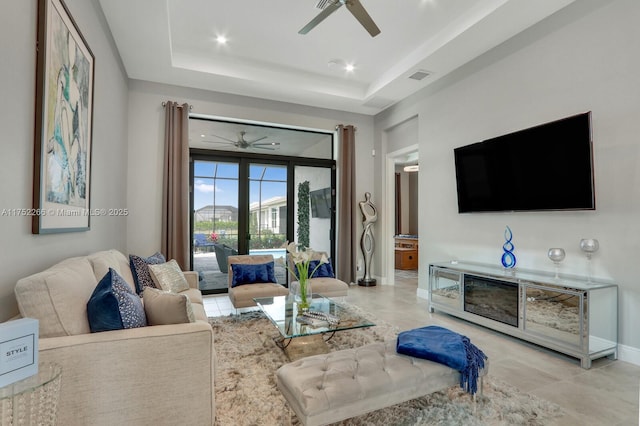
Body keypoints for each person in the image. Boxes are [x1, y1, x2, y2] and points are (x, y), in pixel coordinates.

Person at [359, 192, 377, 286]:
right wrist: (369, 220)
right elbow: (372, 218)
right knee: (366, 249)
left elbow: (373, 218)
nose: (368, 196)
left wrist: (369, 221)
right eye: (367, 195)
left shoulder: (372, 206)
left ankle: (368, 275)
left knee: (370, 249)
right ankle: (366, 275)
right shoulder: (362, 204)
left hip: (368, 230)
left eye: (369, 195)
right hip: (366, 231)